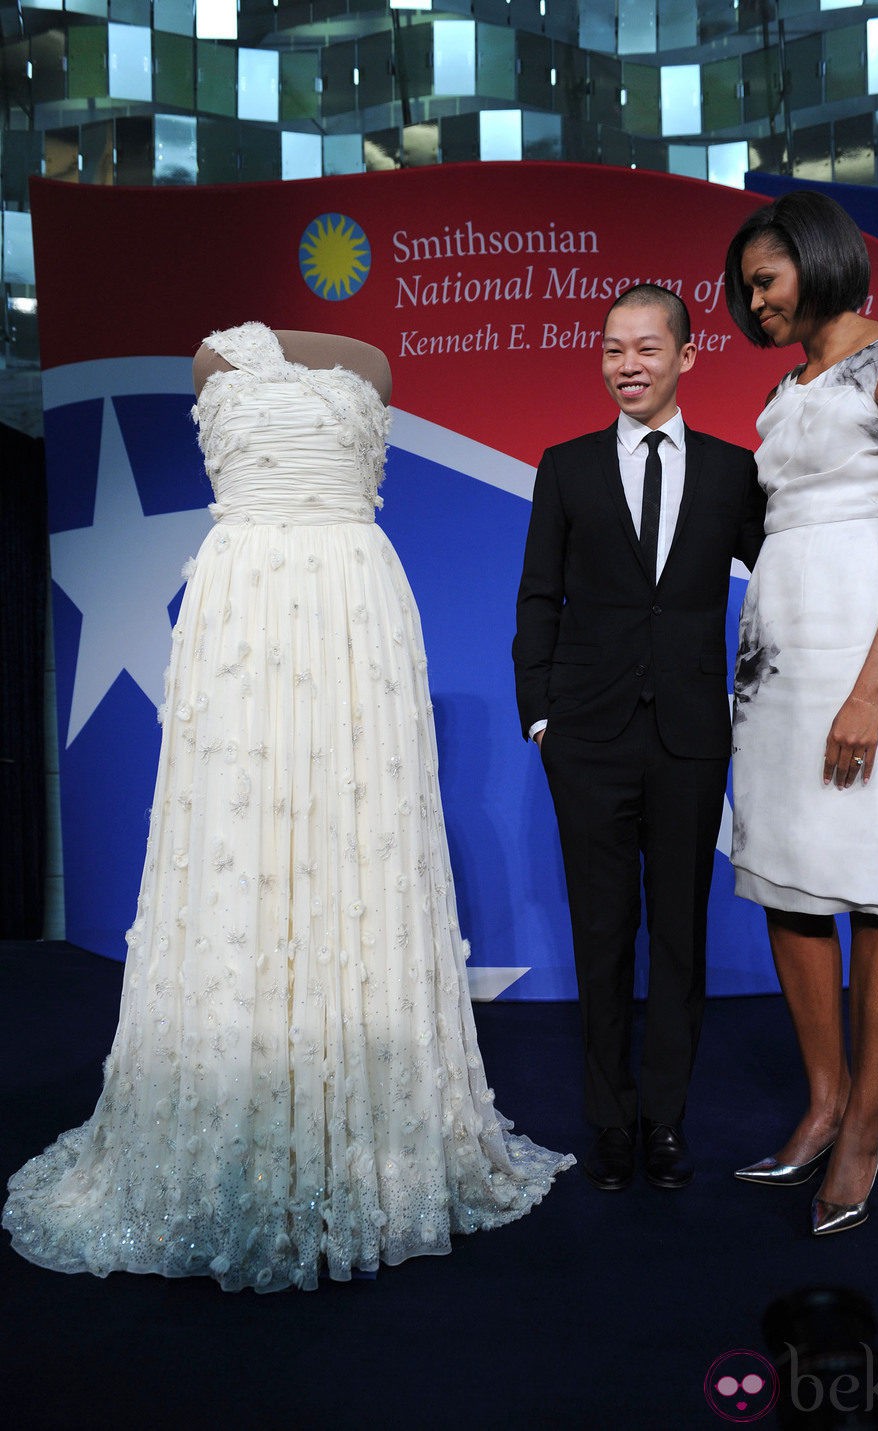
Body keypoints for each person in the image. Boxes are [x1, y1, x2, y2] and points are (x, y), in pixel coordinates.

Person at [3, 322, 573, 1291]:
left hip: (355, 607)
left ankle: (367, 1136)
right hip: (244, 606)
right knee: (241, 844)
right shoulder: (210, 357)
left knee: (356, 845)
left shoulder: (376, 367)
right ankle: (241, 1127)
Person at [723, 192, 878, 1235]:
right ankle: (818, 1104)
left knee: (872, 885)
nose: (750, 300)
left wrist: (869, 686)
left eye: (763, 279)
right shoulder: (786, 385)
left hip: (868, 650)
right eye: (744, 287)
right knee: (787, 875)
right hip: (777, 658)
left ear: (815, 261)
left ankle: (862, 1127)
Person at [513, 285, 765, 1192]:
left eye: (648, 349)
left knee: (682, 938)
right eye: (614, 348)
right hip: (586, 735)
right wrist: (539, 714)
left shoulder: (736, 470)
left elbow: (783, 574)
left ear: (687, 358)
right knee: (602, 932)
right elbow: (539, 592)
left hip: (693, 736)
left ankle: (666, 1121)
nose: (628, 364)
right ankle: (609, 1120)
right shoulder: (567, 465)